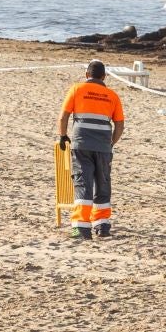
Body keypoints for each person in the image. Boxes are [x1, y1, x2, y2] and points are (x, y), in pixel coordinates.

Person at [57, 59, 126, 240]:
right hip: (103, 147)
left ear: (87, 75)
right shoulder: (112, 95)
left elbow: (63, 116)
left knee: (83, 182)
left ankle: (81, 227)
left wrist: (63, 136)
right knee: (102, 182)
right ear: (104, 77)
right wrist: (111, 143)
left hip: (82, 144)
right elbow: (120, 125)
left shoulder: (76, 89)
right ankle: (102, 225)